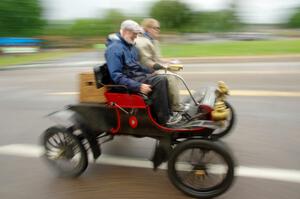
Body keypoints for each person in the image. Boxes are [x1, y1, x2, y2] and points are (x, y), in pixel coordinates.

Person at [104, 20, 181, 126]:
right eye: (134, 34)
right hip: (125, 83)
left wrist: (151, 71)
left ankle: (169, 112)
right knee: (160, 80)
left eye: (137, 34)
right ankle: (164, 119)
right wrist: (138, 86)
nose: (136, 37)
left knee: (162, 76)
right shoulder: (114, 49)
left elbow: (136, 66)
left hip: (134, 77)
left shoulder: (129, 45)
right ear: (126, 31)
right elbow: (116, 76)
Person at [135, 18, 184, 113]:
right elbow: (146, 62)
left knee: (176, 72)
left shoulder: (154, 41)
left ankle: (170, 102)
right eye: (156, 28)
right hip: (146, 70)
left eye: (158, 28)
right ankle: (176, 107)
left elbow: (157, 58)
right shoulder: (142, 42)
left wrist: (170, 61)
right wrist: (163, 66)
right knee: (171, 77)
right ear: (147, 28)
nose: (158, 30)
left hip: (155, 66)